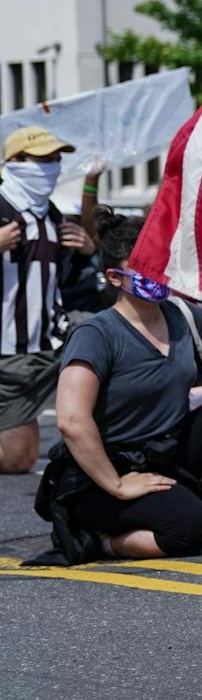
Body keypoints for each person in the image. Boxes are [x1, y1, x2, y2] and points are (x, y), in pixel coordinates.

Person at [32, 209, 202, 562]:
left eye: (161, 264)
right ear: (114, 277)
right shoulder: (96, 334)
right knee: (188, 529)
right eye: (145, 268)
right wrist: (118, 485)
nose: (158, 276)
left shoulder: (179, 314)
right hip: (101, 472)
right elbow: (72, 421)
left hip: (161, 452)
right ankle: (98, 541)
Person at [0, 126, 97, 474]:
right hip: (11, 354)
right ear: (14, 162)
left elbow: (64, 280)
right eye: (42, 159)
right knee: (17, 459)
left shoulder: (50, 213)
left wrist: (86, 252)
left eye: (56, 159)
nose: (52, 167)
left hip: (55, 336)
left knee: (108, 338)